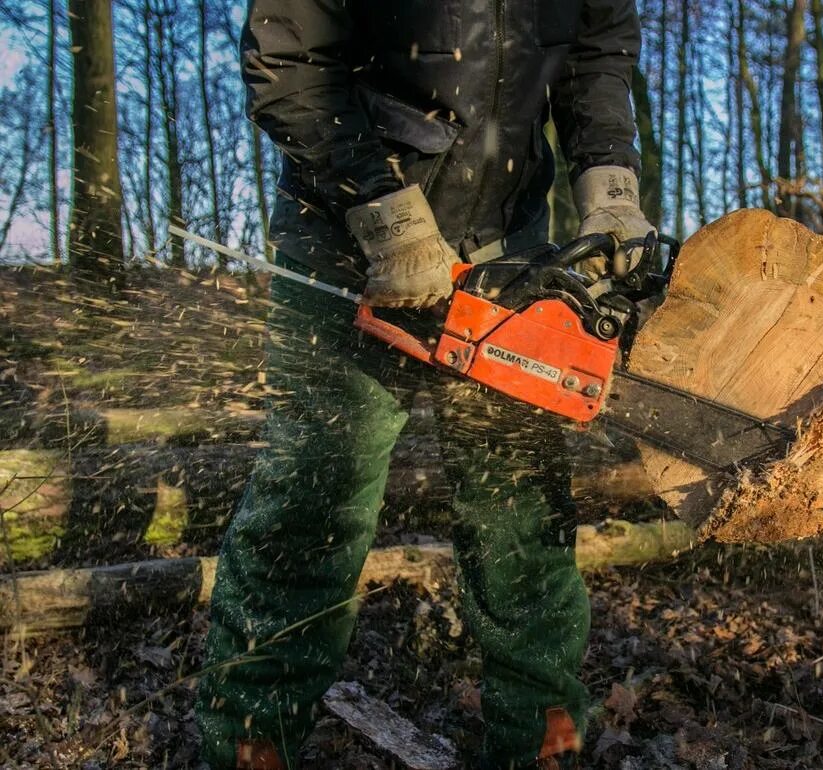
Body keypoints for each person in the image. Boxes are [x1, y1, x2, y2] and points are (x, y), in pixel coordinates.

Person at [195, 2, 652, 768]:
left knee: (523, 519)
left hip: (511, 242)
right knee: (314, 501)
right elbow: (290, 55)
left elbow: (596, 47)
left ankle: (543, 741)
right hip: (345, 232)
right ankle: (251, 743)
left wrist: (610, 188)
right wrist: (380, 208)